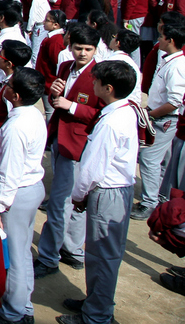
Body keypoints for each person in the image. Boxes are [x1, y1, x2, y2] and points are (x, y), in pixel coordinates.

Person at [56, 61, 140, 324]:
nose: (92, 84)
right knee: (103, 254)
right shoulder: (123, 111)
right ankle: (97, 302)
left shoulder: (111, 122)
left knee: (102, 256)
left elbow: (92, 168)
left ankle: (97, 316)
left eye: (97, 81)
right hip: (116, 190)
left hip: (108, 192)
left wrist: (79, 195)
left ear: (108, 88)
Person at [0, 67, 47, 324]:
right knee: (22, 251)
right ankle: (23, 306)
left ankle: (13, 313)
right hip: (29, 189)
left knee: (15, 255)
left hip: (16, 193)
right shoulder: (33, 115)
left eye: (8, 86)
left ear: (15, 95)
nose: (4, 88)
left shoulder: (17, 126)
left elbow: (10, 172)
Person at [35, 23, 102, 279]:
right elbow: (57, 100)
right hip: (60, 139)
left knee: (63, 203)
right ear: (70, 47)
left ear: (96, 49)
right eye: (78, 48)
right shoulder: (65, 67)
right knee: (70, 201)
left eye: (88, 49)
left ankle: (51, 255)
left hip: (79, 145)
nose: (83, 53)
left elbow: (101, 113)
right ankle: (71, 249)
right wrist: (54, 95)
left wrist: (70, 105)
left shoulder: (99, 74)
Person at [132, 21, 185, 220]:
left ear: (170, 40)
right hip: (162, 117)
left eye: (161, 37)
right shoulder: (170, 59)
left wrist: (151, 115)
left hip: (165, 119)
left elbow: (174, 102)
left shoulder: (178, 65)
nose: (158, 40)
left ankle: (149, 203)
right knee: (162, 162)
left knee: (149, 159)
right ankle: (161, 198)